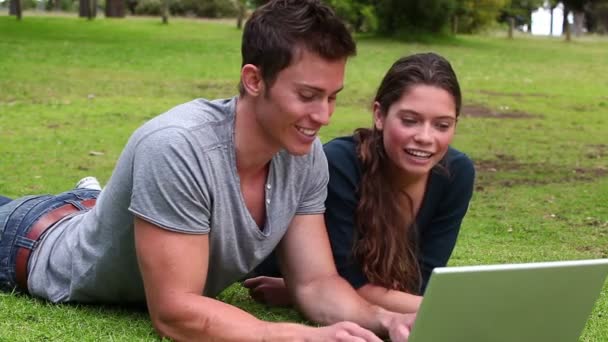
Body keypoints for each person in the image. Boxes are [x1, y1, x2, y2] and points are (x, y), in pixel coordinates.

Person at [0, 1, 416, 341]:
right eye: (308, 95)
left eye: (332, 97)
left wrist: (382, 319)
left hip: (97, 213)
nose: (323, 116)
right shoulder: (177, 146)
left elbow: (315, 283)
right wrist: (297, 336)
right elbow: (174, 311)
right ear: (254, 80)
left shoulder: (305, 155)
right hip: (31, 240)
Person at [245, 52, 476, 314]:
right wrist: (453, 309)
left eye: (442, 125)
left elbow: (422, 283)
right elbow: (349, 281)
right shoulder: (339, 164)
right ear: (379, 115)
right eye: (410, 121)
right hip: (288, 274)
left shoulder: (456, 174)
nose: (425, 137)